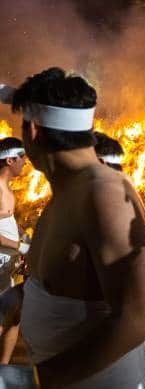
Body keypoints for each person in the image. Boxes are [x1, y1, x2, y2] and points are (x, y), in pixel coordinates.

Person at [11, 67, 145, 388]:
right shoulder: (68, 190)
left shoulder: (103, 193)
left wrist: (30, 381)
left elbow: (138, 320)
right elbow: (54, 284)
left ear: (33, 131)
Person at [0, 137, 28, 364]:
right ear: (10, 160)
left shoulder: (7, 191)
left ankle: (4, 367)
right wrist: (19, 246)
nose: (25, 163)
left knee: (15, 315)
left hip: (9, 263)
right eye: (22, 158)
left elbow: (6, 221)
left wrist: (22, 234)